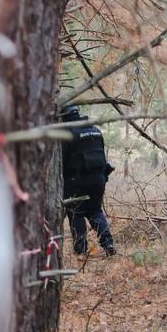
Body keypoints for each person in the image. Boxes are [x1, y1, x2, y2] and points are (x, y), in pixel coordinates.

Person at [60, 105, 116, 256]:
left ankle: (81, 251)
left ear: (64, 116)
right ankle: (108, 243)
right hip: (99, 179)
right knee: (95, 211)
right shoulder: (95, 130)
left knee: (76, 212)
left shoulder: (67, 133)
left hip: (76, 179)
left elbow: (61, 161)